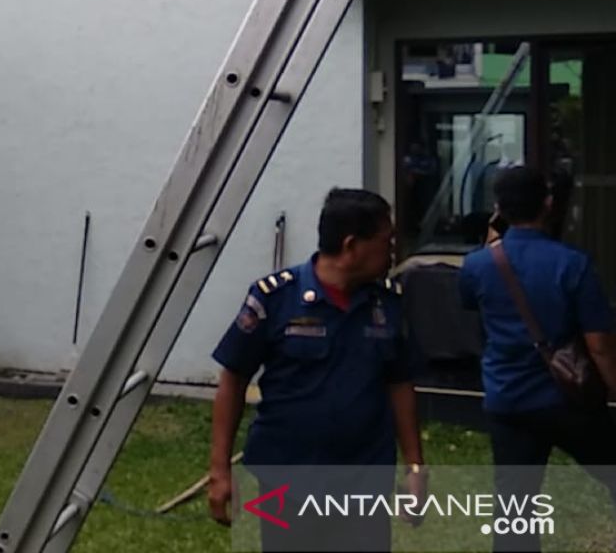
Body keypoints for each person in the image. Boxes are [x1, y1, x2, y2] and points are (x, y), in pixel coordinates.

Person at [208, 188, 426, 552]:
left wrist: (416, 469)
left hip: (363, 479)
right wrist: (219, 471)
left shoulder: (388, 303)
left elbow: (400, 384)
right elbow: (233, 379)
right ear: (351, 245)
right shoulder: (275, 298)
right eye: (386, 242)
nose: (393, 252)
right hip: (286, 477)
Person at [459, 166, 616, 553]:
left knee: (514, 508)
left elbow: (471, 307)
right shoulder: (572, 262)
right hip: (568, 399)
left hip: (507, 398)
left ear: (498, 208)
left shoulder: (477, 265)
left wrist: (492, 241)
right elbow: (599, 345)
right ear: (548, 204)